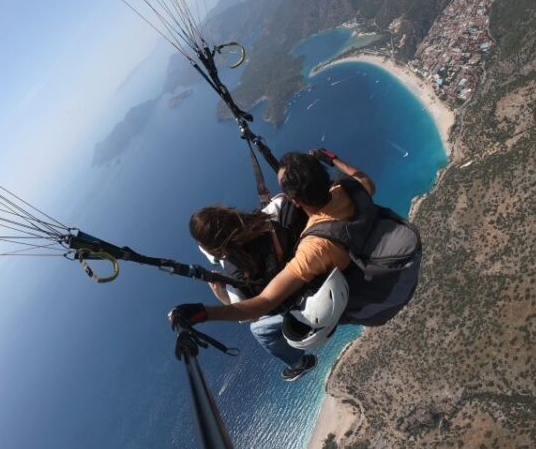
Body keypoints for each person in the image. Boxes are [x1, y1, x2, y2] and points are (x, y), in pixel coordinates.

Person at [170, 149, 420, 378]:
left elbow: (261, 306)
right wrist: (332, 159)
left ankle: (298, 363)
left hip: (372, 300)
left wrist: (204, 312)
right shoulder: (350, 189)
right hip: (394, 257)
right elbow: (363, 177)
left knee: (260, 330)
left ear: (297, 201)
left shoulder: (316, 248)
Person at [189, 195, 313, 381]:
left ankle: (298, 363)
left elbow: (250, 314)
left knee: (258, 329)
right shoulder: (266, 217)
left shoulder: (235, 273)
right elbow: (283, 200)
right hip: (311, 272)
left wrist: (222, 296)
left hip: (297, 300)